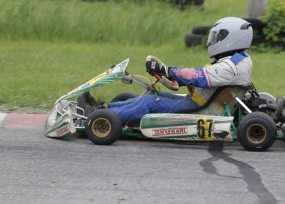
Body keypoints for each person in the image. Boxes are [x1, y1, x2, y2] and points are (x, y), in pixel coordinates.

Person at [79, 17, 253, 124]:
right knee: (149, 98)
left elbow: (198, 77)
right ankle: (102, 109)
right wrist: (168, 74)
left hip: (198, 109)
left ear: (232, 39)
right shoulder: (237, 60)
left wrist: (166, 70)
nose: (212, 42)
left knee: (149, 103)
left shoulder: (230, 67)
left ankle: (97, 116)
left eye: (218, 38)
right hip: (197, 101)